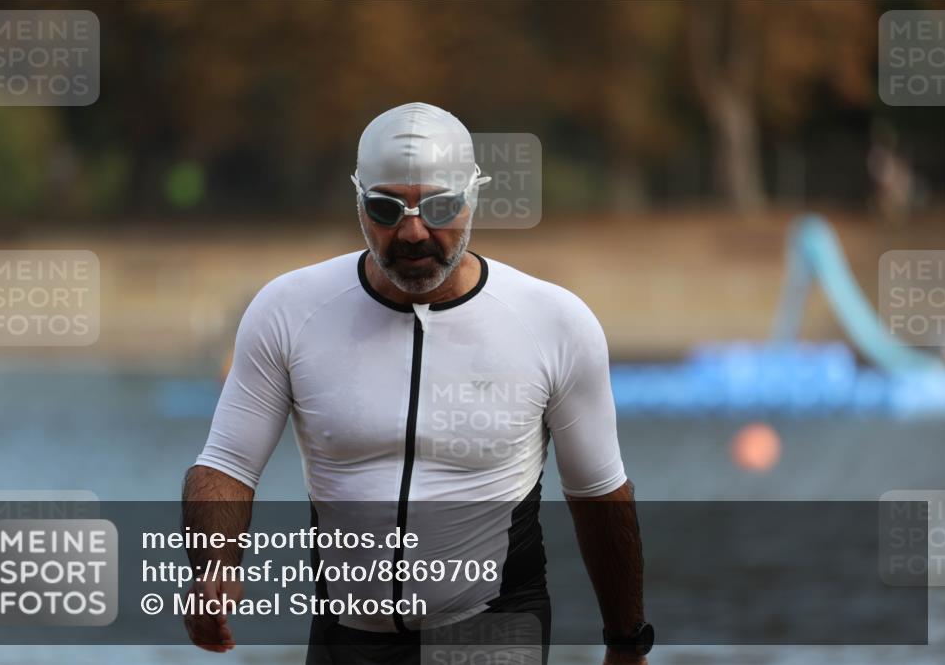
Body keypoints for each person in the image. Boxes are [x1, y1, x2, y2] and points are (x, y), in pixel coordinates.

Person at [183, 102, 651, 664]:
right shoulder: (289, 309)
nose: (412, 231)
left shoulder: (554, 322)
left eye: (440, 207)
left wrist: (627, 643)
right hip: (346, 639)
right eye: (385, 208)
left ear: (473, 197)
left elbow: (600, 495)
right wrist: (213, 569)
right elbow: (227, 466)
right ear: (358, 201)